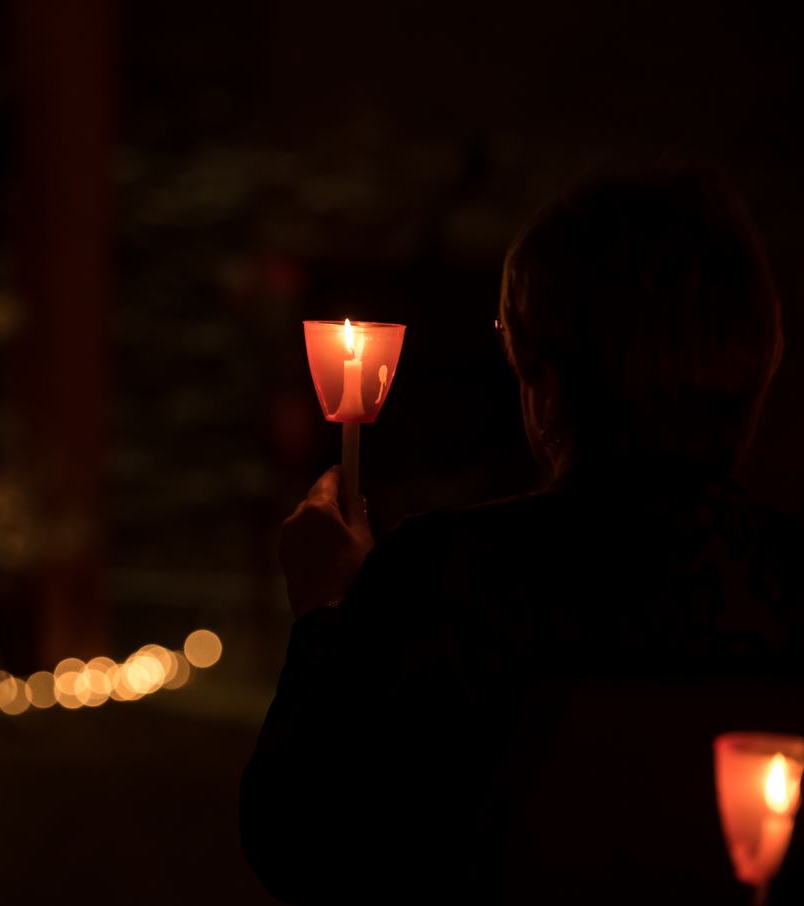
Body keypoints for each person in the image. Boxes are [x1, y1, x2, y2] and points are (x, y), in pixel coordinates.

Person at [240, 171, 804, 904]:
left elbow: (303, 843)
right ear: (759, 360)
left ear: (541, 374)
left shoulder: (449, 580)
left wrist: (326, 617)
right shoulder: (786, 582)